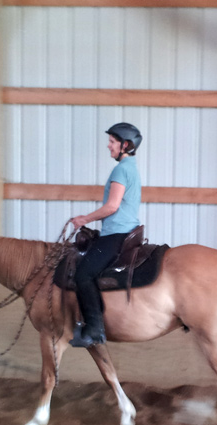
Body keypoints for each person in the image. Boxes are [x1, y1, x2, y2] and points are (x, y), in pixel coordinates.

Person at [68, 122, 143, 348]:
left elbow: (112, 206)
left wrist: (84, 219)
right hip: (121, 232)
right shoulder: (131, 167)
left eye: (112, 142)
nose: (109, 146)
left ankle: (94, 329)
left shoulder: (121, 170)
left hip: (116, 234)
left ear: (125, 145)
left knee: (83, 274)